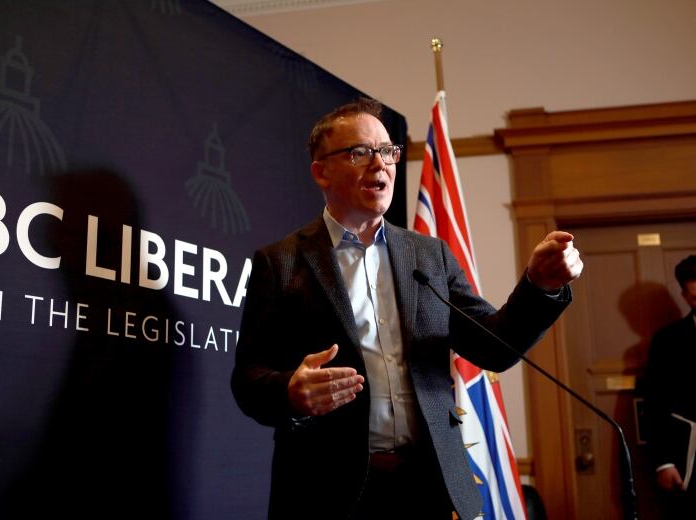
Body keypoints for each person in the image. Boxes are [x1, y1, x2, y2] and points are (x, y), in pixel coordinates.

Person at [230, 98, 583, 519]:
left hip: (426, 488)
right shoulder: (280, 262)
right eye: (360, 152)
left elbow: (496, 347)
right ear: (321, 171)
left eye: (387, 151)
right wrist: (290, 391)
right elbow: (248, 378)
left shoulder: (429, 255)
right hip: (326, 492)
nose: (379, 165)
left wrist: (539, 287)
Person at [644, 255, 696, 518]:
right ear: (685, 296)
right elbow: (653, 404)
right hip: (687, 455)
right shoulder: (667, 341)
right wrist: (663, 461)